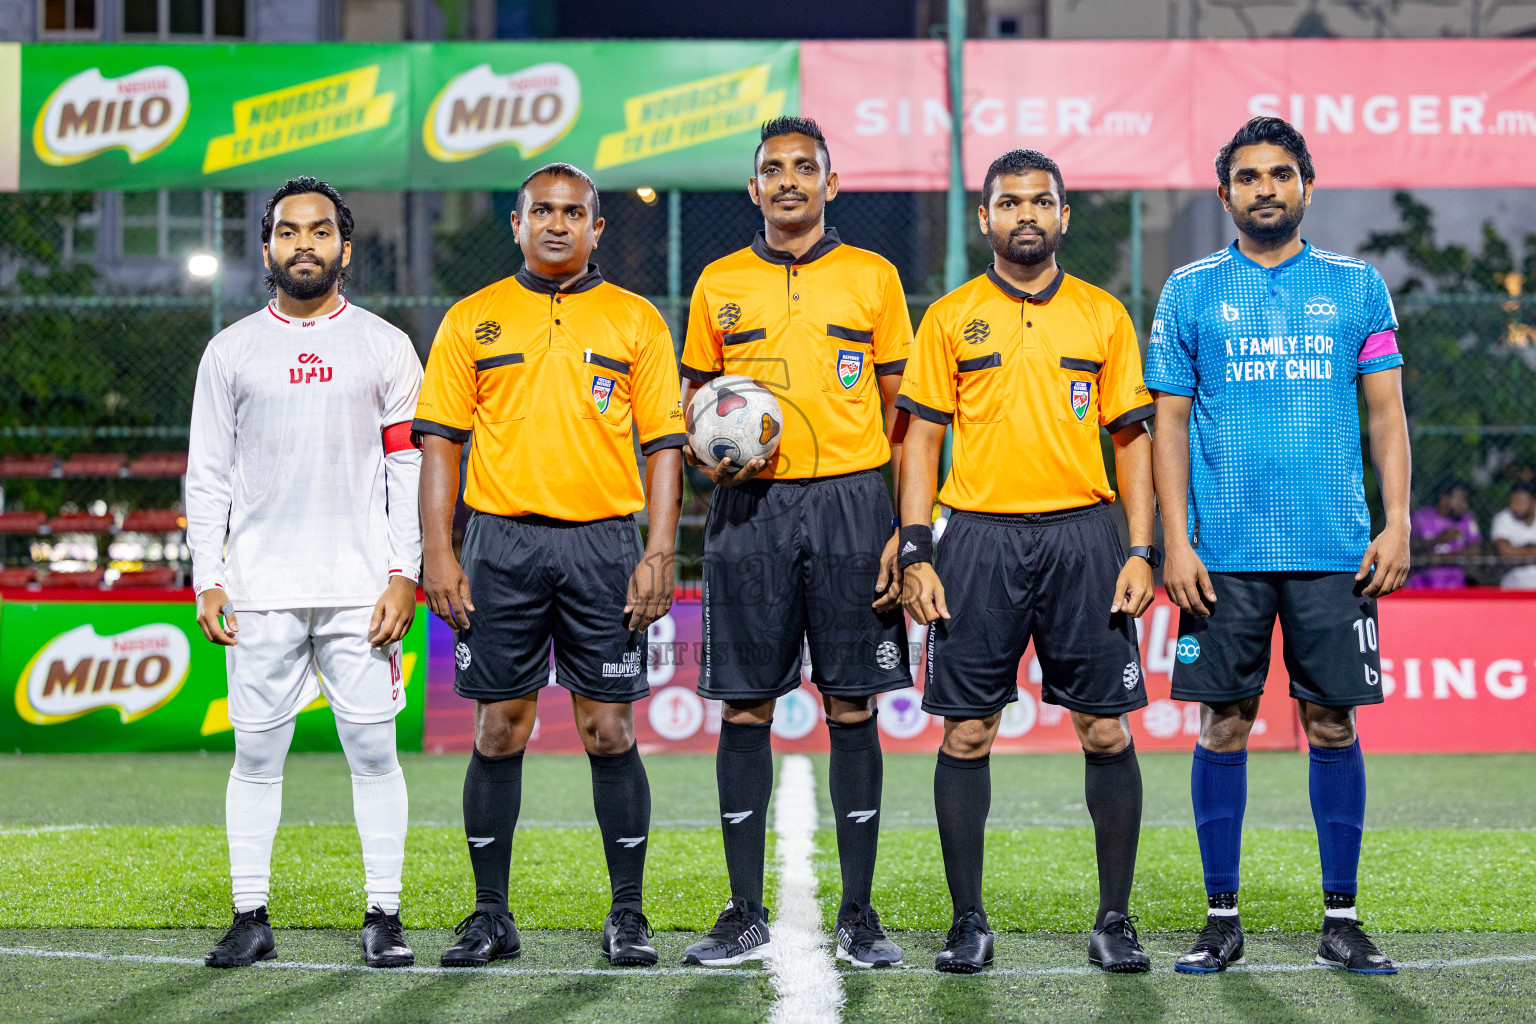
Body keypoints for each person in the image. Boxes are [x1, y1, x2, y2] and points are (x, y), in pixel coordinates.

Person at [1147, 116, 1411, 976]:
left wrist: (1398, 521)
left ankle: (1343, 917)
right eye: (1250, 177)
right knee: (1222, 724)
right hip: (1220, 554)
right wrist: (1174, 543)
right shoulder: (1188, 291)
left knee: (1332, 724)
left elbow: (1386, 413)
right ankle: (1221, 919)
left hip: (1336, 550)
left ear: (1306, 185)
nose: (1267, 188)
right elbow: (1170, 424)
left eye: (1282, 174)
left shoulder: (1356, 286)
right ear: (1224, 194)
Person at [413, 163, 683, 969]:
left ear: (598, 229)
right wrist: (438, 549)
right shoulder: (473, 319)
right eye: (542, 211)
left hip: (603, 542)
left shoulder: (637, 321)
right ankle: (490, 915)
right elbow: (440, 445)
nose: (558, 224)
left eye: (574, 213)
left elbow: (665, 444)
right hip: (500, 544)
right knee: (501, 727)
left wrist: (659, 548)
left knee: (608, 727)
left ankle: (628, 916)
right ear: (518, 223)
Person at [898, 149, 1157, 975]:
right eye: (1009, 202)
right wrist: (916, 548)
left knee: (1103, 727)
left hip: (1086, 537)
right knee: (968, 732)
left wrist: (1141, 548)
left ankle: (1114, 919)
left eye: (1041, 201)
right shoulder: (949, 318)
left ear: (1064, 216)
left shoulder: (1103, 315)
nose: (1026, 215)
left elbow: (1131, 442)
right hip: (977, 539)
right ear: (985, 219)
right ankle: (967, 921)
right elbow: (922, 443)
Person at [678, 116, 912, 968]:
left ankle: (859, 915)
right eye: (772, 170)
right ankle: (743, 911)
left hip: (854, 507)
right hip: (751, 509)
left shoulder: (872, 278)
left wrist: (889, 513)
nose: (788, 182)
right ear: (754, 189)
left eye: (803, 168)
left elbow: (900, 407)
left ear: (829, 184)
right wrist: (715, 463)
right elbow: (695, 401)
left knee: (852, 704)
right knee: (746, 706)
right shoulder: (717, 283)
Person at [187, 177, 422, 969]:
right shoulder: (231, 351)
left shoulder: (386, 346)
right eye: (288, 232)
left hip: (362, 593)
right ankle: (250, 915)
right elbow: (207, 476)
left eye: (321, 231)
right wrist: (207, 578)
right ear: (266, 249)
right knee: (254, 759)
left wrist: (405, 574)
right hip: (258, 592)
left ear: (344, 249)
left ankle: (383, 915)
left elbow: (407, 470)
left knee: (373, 754)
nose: (304, 244)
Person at [1408, 481, 1479, 588]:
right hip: (1423, 584)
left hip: (1455, 585)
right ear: (1444, 499)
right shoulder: (1422, 517)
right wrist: (1439, 539)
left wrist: (1441, 558)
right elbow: (1410, 546)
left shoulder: (1467, 519)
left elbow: (1476, 550)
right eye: (1460, 500)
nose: (1464, 505)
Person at [1491, 483, 1536, 589]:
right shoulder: (1503, 518)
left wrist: (1518, 552)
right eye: (1512, 501)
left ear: (1534, 503)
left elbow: (1511, 552)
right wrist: (1531, 550)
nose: (1514, 506)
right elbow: (1504, 552)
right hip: (1514, 583)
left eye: (1519, 502)